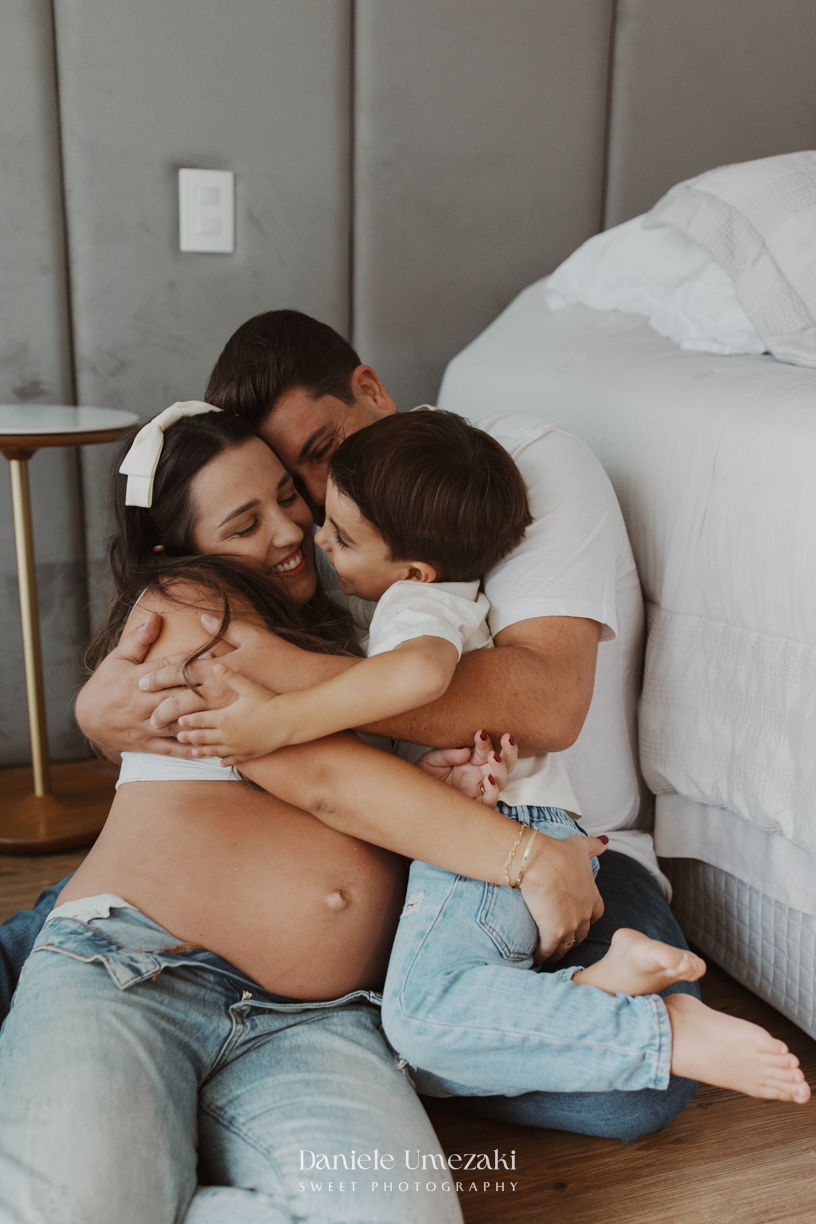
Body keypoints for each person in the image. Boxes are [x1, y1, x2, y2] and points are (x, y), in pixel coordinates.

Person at [169, 407, 807, 1107]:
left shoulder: (417, 604)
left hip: (501, 833)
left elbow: (417, 678)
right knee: (425, 1050)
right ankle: (597, 988)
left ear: (413, 565)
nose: (316, 539)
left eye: (341, 535)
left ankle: (666, 1033)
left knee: (421, 1023)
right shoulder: (424, 593)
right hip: (495, 812)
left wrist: (279, 716)